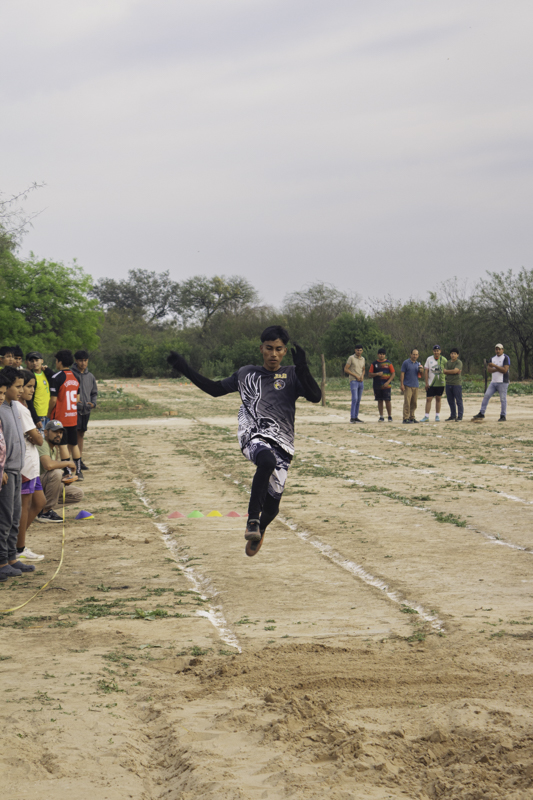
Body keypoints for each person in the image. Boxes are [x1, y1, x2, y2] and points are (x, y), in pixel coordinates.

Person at [167, 326, 322, 555]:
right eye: (269, 348)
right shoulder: (246, 374)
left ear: (284, 351)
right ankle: (252, 521)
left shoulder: (291, 374)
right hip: (252, 434)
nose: (273, 354)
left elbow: (315, 397)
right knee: (266, 461)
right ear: (261, 349)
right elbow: (214, 389)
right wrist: (185, 369)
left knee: (272, 508)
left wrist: (303, 368)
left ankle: (261, 526)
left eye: (278, 349)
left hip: (283, 441)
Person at [0, 367, 36, 581]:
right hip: (6, 471)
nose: (21, 391)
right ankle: (2, 561)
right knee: (4, 518)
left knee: (14, 516)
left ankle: (12, 558)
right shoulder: (1, 408)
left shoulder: (15, 406)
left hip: (16, 469)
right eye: (18, 387)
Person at [15, 371, 46, 560]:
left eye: (33, 387)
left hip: (32, 465)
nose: (31, 390)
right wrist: (37, 435)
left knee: (39, 502)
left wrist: (36, 435)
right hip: (25, 465)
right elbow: (39, 439)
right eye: (27, 386)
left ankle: (15, 541)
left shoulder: (25, 407)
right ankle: (18, 548)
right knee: (24, 507)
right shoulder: (20, 409)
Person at [36, 420, 84, 522]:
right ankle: (45, 512)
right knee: (56, 473)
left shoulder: (54, 449)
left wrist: (63, 479)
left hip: (44, 485)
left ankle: (38, 509)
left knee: (77, 494)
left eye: (61, 432)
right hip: (34, 486)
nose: (58, 435)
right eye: (55, 431)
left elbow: (51, 470)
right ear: (45, 432)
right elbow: (48, 466)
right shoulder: (42, 444)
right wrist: (67, 463)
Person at [48, 349, 83, 481]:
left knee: (63, 445)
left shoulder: (56, 377)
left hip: (60, 418)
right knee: (74, 444)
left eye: (56, 361)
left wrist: (48, 413)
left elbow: (53, 400)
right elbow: (77, 398)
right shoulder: (76, 376)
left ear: (60, 362)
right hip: (72, 416)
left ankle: (67, 471)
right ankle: (78, 471)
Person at [71, 350, 98, 469]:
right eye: (81, 360)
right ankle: (69, 461)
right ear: (76, 361)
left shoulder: (90, 376)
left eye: (85, 360)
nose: (83, 363)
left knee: (81, 434)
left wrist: (93, 403)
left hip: (86, 410)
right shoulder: (71, 374)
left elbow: (94, 392)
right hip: (73, 410)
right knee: (72, 435)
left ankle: (79, 460)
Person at [472, 344, 510, 422]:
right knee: (486, 395)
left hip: (503, 382)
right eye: (496, 349)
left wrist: (494, 366)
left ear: (502, 350)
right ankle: (482, 413)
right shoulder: (492, 358)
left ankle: (503, 415)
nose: (498, 351)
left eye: (499, 349)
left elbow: (505, 370)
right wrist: (498, 368)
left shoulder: (505, 358)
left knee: (503, 399)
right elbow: (489, 370)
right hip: (493, 382)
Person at [26, 351, 53, 430]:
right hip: (38, 415)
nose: (34, 363)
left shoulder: (47, 374)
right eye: (32, 361)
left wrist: (48, 370)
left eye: (37, 360)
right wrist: (35, 418)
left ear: (42, 361)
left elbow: (56, 379)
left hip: (49, 414)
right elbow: (29, 399)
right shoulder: (30, 376)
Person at [421, 345, 447, 422]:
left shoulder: (444, 359)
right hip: (431, 383)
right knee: (428, 399)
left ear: (440, 351)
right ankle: (426, 416)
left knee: (438, 398)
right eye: (435, 351)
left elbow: (447, 370)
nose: (436, 352)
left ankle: (437, 415)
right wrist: (426, 383)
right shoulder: (429, 359)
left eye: (437, 351)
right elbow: (426, 371)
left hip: (440, 383)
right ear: (433, 351)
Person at [369, 348, 395, 422]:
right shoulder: (374, 364)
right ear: (378, 355)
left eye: (383, 354)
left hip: (386, 386)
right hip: (377, 385)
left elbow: (393, 373)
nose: (381, 355)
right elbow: (370, 374)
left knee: (387, 400)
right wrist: (377, 374)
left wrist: (388, 382)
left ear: (385, 355)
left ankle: (389, 416)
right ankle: (381, 416)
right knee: (380, 400)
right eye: (380, 354)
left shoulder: (388, 363)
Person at [344, 344, 365, 423]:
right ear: (355, 350)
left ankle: (356, 417)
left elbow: (363, 369)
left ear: (362, 351)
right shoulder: (351, 358)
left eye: (360, 350)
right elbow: (346, 369)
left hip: (360, 381)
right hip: (353, 380)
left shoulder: (363, 359)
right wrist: (355, 375)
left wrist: (362, 376)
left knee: (358, 399)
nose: (359, 351)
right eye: (357, 350)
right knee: (354, 398)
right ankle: (352, 417)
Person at [400, 349, 422, 424]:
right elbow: (402, 373)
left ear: (418, 355)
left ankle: (412, 417)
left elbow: (420, 375)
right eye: (413, 354)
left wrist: (421, 370)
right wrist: (402, 384)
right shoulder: (406, 363)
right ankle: (405, 418)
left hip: (415, 385)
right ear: (410, 354)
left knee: (414, 402)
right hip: (408, 385)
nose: (415, 356)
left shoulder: (418, 364)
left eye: (416, 355)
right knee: (407, 402)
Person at [444, 348, 464, 421]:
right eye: (452, 353)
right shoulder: (447, 363)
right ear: (450, 354)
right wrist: (453, 371)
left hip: (456, 384)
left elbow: (455, 371)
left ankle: (460, 416)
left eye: (455, 354)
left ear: (457, 355)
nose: (453, 355)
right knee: (450, 401)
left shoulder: (459, 362)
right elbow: (444, 371)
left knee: (458, 400)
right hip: (448, 383)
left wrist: (449, 371)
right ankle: (453, 415)